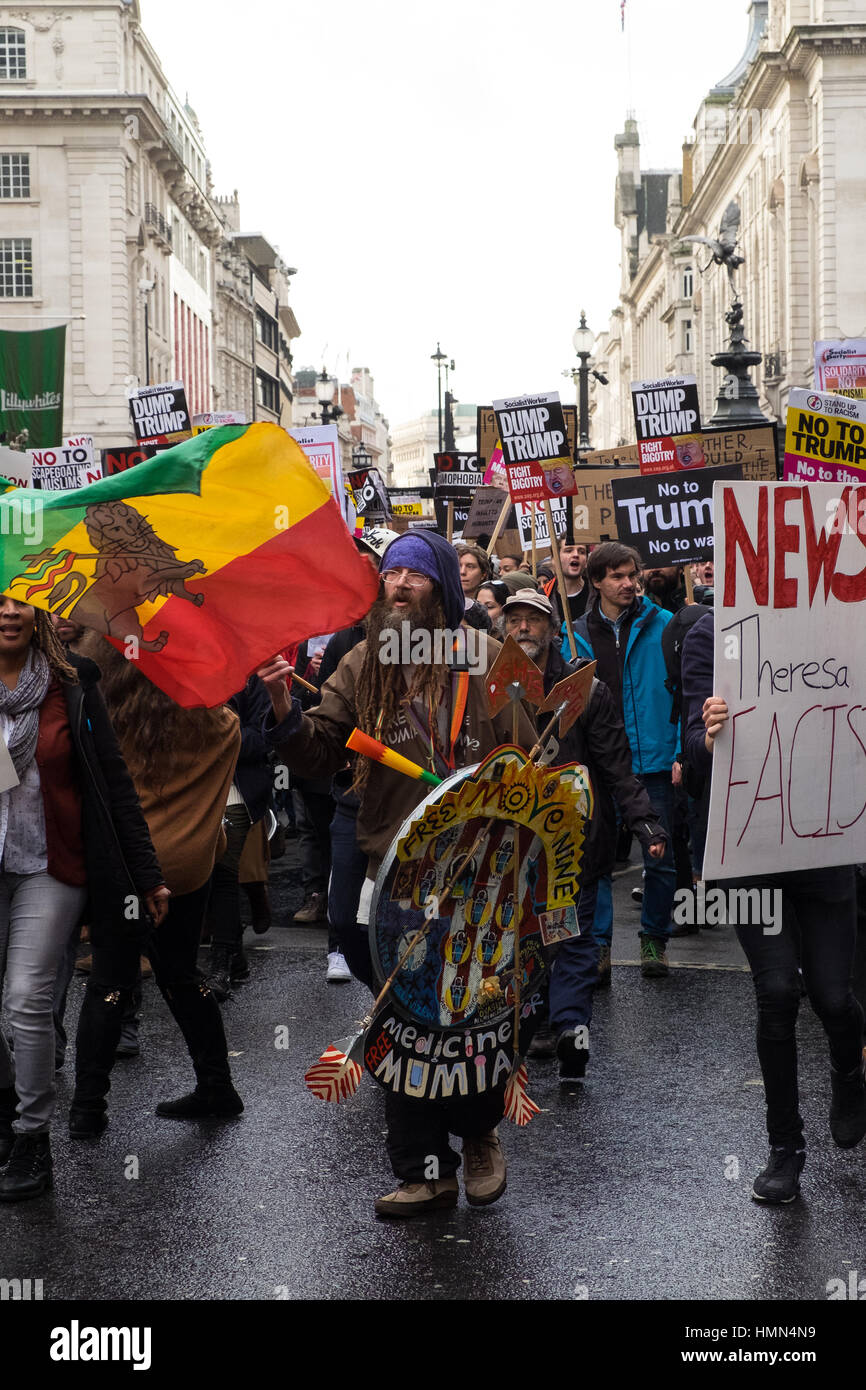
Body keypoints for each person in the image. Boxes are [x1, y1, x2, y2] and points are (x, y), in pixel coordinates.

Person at [258, 531, 535, 1220]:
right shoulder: (362, 661)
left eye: (414, 575)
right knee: (397, 998)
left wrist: (490, 801)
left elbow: (527, 758)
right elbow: (320, 752)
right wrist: (283, 709)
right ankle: (425, 1170)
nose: (399, 586)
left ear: (442, 586)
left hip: (469, 860)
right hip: (389, 856)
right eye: (390, 575)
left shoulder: (481, 656)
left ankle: (473, 1135)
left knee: (461, 1002)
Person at [681, 611, 866, 1204]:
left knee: (835, 997)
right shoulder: (711, 634)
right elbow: (689, 749)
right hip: (750, 849)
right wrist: (707, 734)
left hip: (823, 846)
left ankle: (847, 1073)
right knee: (778, 992)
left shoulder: (843, 628)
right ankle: (785, 1150)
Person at [0, 600, 166, 1201]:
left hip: (52, 865)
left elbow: (112, 779)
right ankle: (6, 1108)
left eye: (21, 600)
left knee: (26, 1000)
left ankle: (31, 1135)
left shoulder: (72, 680)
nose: (9, 612)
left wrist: (146, 876)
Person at [68, 632, 243, 1136]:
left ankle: (88, 1107)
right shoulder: (220, 727)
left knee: (109, 983)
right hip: (188, 871)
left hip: (124, 869)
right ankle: (216, 1084)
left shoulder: (101, 721)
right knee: (182, 974)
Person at [501, 591, 666, 1078]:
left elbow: (616, 765)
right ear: (501, 627)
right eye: (515, 621)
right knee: (522, 938)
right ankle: (538, 1023)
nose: (524, 629)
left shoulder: (585, 690)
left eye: (534, 620)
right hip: (508, 841)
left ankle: (570, 1026)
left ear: (553, 630)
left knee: (569, 936)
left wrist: (644, 819)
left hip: (572, 840)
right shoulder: (485, 686)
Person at [571, 542, 679, 978]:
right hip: (600, 766)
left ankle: (655, 939)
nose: (628, 583)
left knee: (660, 856)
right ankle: (599, 947)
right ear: (596, 582)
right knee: (594, 859)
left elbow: (686, 693)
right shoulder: (573, 631)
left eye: (631, 574)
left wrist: (678, 752)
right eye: (616, 576)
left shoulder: (665, 624)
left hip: (654, 759)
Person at [203, 674, 274, 1001]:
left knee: (223, 871)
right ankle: (237, 957)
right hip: (194, 788)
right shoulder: (186, 671)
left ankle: (221, 965)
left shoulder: (250, 681)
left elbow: (261, 739)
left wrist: (216, 731)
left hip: (235, 789)